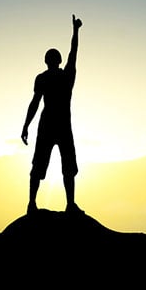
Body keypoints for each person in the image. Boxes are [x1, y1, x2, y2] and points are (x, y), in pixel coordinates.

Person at [21, 14, 83, 214]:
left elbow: (34, 104)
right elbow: (74, 51)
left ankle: (32, 203)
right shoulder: (66, 76)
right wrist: (75, 31)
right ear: (58, 61)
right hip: (61, 126)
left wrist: (25, 126)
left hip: (48, 125)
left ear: (47, 61)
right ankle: (69, 204)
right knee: (66, 168)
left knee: (40, 166)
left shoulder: (43, 78)